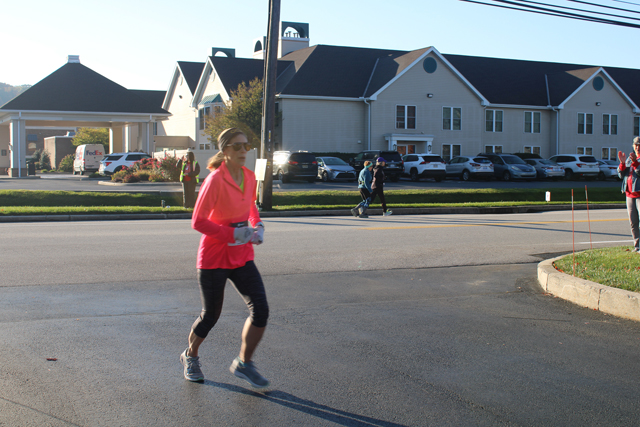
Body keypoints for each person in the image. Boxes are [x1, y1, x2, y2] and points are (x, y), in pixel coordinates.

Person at [180, 128, 270, 388]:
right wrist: (232, 233)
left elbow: (250, 205)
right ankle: (190, 355)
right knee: (210, 315)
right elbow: (198, 221)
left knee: (261, 310)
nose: (243, 151)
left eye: (246, 146)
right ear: (225, 150)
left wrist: (257, 224)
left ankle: (244, 363)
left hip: (242, 255)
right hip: (215, 257)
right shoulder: (214, 180)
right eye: (237, 146)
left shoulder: (249, 176)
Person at [618, 137, 640, 253]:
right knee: (633, 222)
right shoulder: (629, 159)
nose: (637, 147)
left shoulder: (635, 160)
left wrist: (635, 162)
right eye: (636, 145)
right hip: (629, 195)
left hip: (639, 195)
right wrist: (622, 164)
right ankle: (637, 246)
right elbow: (621, 175)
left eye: (639, 145)